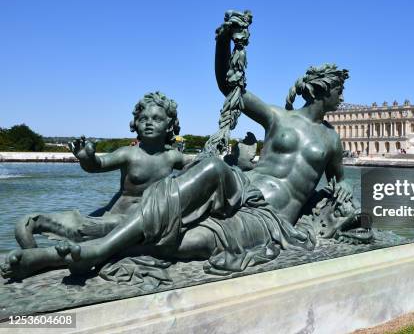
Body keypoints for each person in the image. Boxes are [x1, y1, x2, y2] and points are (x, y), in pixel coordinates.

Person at [1, 18, 353, 279]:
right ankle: (94, 250)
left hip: (270, 217)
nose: (343, 98)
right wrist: (223, 42)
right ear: (325, 89)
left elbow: (339, 186)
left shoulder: (332, 140)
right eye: (340, 91)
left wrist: (346, 196)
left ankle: (54, 256)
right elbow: (229, 88)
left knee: (188, 243)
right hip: (242, 190)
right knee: (212, 167)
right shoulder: (279, 117)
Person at [13, 92, 192, 249]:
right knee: (31, 223)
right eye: (143, 119)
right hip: (115, 217)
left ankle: (44, 256)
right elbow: (97, 165)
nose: (149, 123)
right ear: (135, 124)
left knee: (79, 238)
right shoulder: (128, 153)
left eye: (156, 119)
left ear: (169, 125)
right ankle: (36, 250)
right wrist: (86, 158)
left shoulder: (172, 157)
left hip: (143, 220)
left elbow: (199, 167)